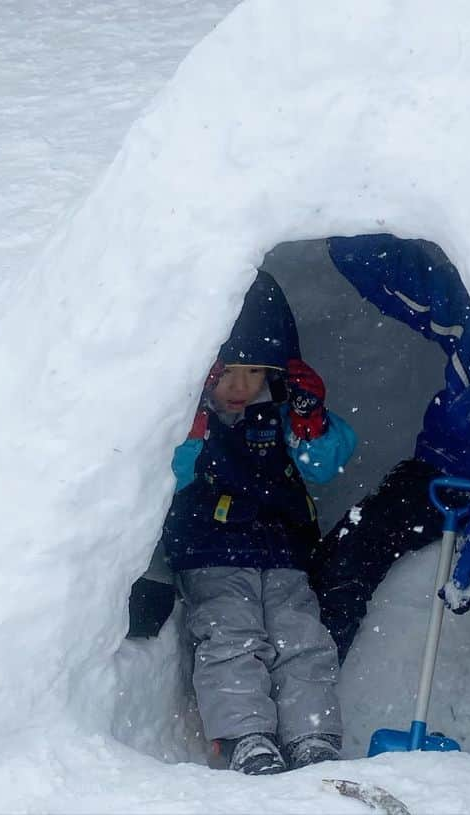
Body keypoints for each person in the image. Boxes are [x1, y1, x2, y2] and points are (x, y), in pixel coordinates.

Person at [309, 234, 470, 754]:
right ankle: (306, 687)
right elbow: (404, 278)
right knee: (355, 541)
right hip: (442, 470)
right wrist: (345, 211)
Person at [161, 271, 357, 775]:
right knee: (231, 635)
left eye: (254, 372)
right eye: (228, 372)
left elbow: (323, 463)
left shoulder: (282, 413)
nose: (241, 387)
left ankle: (312, 735)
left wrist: (310, 419)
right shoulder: (186, 418)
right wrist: (193, 428)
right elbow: (171, 476)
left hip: (285, 554)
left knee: (302, 639)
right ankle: (246, 735)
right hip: (211, 553)